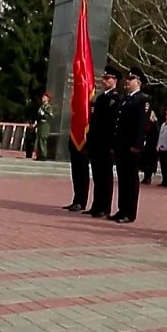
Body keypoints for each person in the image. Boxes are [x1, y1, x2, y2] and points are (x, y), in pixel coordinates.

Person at [110, 67, 151, 223]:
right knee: (122, 178)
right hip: (121, 145)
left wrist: (137, 145)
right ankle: (122, 209)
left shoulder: (142, 100)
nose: (127, 81)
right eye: (127, 79)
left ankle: (130, 212)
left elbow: (142, 125)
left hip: (132, 147)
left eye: (131, 79)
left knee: (131, 180)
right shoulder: (125, 99)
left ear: (138, 82)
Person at [85, 67, 121, 218]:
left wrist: (113, 144)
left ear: (115, 80)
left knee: (105, 176)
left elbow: (114, 125)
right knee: (97, 175)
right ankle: (96, 205)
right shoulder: (100, 99)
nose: (105, 81)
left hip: (107, 143)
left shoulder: (117, 99)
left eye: (108, 78)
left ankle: (104, 207)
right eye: (104, 78)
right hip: (96, 143)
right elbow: (94, 123)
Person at [62, 90, 91, 211]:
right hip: (76, 139)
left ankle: (82, 201)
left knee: (82, 171)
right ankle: (77, 199)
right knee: (76, 172)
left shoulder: (92, 102)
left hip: (85, 140)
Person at [140, 111, 160, 184]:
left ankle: (148, 177)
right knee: (145, 162)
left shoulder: (154, 124)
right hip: (146, 145)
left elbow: (156, 135)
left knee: (150, 163)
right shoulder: (146, 123)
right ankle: (145, 177)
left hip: (152, 146)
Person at [35, 93, 53, 161]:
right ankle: (39, 154)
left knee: (43, 139)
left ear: (47, 99)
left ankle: (43, 155)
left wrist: (44, 114)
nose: (42, 98)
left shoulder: (48, 107)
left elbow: (50, 116)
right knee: (39, 139)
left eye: (44, 97)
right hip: (40, 124)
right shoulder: (42, 106)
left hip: (45, 124)